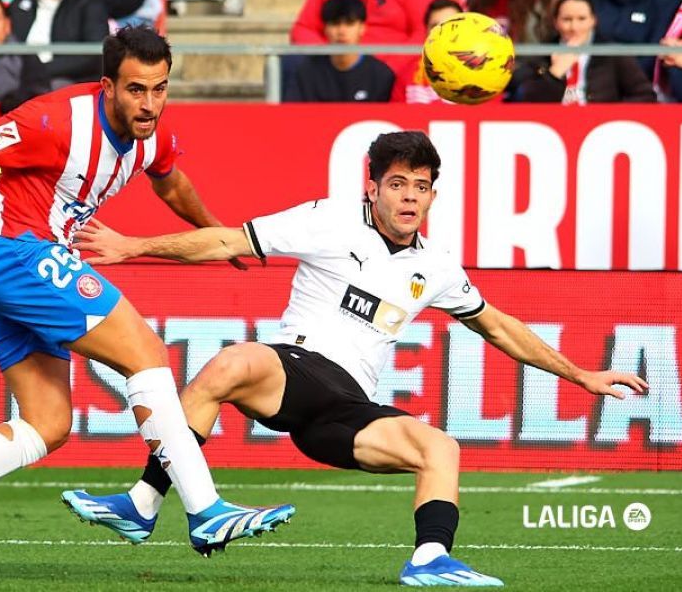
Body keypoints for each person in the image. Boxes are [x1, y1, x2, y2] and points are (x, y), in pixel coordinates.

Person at [64, 130, 649, 587]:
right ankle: (144, 503)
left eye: (421, 186)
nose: (409, 196)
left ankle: (430, 558)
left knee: (440, 448)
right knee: (230, 364)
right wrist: (133, 246)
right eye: (397, 184)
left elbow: (497, 326)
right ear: (372, 189)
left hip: (345, 411)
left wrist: (582, 375)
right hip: (293, 368)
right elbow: (227, 240)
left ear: (433, 196)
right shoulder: (328, 220)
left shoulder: (438, 267)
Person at [0, 26, 295, 582]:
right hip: (16, 254)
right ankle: (204, 510)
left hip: (10, 269)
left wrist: (218, 233)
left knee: (47, 424)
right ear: (107, 86)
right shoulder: (54, 121)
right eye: (136, 89)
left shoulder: (152, 135)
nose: (149, 104)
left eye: (160, 88)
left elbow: (170, 184)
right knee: (146, 352)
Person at [514, 0, 656, 103]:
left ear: (593, 20)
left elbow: (645, 95)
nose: (574, 27)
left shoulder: (613, 54)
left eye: (581, 19)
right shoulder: (542, 56)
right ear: (556, 22)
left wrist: (611, 117)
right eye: (567, 19)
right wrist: (555, 73)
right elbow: (526, 100)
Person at [290, 0, 441, 77]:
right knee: (291, 63)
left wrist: (389, 69)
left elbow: (425, 32)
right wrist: (331, 62)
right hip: (335, 70)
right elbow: (303, 29)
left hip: (395, 73)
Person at [284, 0, 394, 103]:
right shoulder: (305, 73)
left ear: (362, 28)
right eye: (335, 24)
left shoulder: (381, 75)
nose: (342, 31)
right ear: (325, 29)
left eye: (349, 24)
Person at [8, 0, 108, 90]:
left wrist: (42, 69)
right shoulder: (21, 0)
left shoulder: (89, 3)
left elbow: (94, 54)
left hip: (65, 79)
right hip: (18, 75)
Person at [390, 0, 462, 104]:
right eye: (435, 27)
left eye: (451, 26)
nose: (443, 33)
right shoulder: (407, 74)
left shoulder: (483, 73)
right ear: (426, 32)